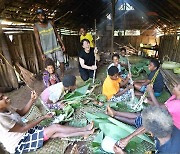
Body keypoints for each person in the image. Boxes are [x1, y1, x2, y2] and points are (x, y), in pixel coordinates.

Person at [0, 92, 94, 154]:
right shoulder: (1, 118)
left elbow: (21, 112)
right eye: (1, 98)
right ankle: (84, 130)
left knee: (55, 133)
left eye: (3, 95)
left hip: (26, 133)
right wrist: (43, 117)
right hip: (19, 143)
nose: (6, 97)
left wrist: (32, 99)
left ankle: (84, 132)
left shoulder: (7, 107)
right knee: (55, 127)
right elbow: (22, 129)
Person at [106, 83, 180, 129]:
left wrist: (151, 93)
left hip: (169, 126)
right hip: (164, 116)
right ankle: (115, 113)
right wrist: (148, 101)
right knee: (140, 114)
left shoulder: (177, 104)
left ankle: (114, 116)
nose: (174, 86)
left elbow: (159, 110)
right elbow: (163, 106)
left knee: (139, 120)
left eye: (176, 86)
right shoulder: (174, 97)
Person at [113, 106, 180, 154]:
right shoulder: (169, 124)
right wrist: (128, 138)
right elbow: (147, 126)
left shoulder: (167, 151)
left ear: (151, 133)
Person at [33, 9, 65, 77]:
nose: (41, 17)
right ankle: (55, 77)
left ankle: (63, 75)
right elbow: (37, 41)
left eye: (42, 15)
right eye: (39, 16)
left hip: (56, 46)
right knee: (51, 65)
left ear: (45, 16)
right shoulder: (36, 27)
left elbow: (57, 34)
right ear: (37, 17)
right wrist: (41, 53)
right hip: (47, 50)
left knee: (62, 61)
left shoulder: (50, 23)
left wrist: (62, 44)